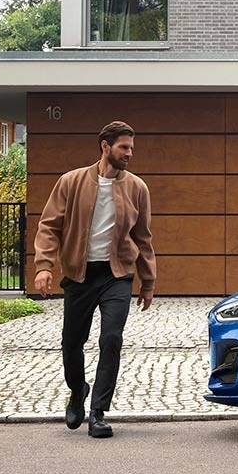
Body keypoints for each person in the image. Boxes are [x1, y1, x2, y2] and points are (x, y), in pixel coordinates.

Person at [33, 121, 156, 438]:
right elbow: (49, 227)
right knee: (72, 342)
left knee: (111, 338)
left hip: (117, 275)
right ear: (105, 146)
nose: (129, 153)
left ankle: (98, 412)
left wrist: (148, 281)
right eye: (123, 147)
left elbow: (143, 238)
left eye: (131, 148)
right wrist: (44, 266)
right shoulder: (71, 182)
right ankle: (78, 390)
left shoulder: (137, 188)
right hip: (80, 274)